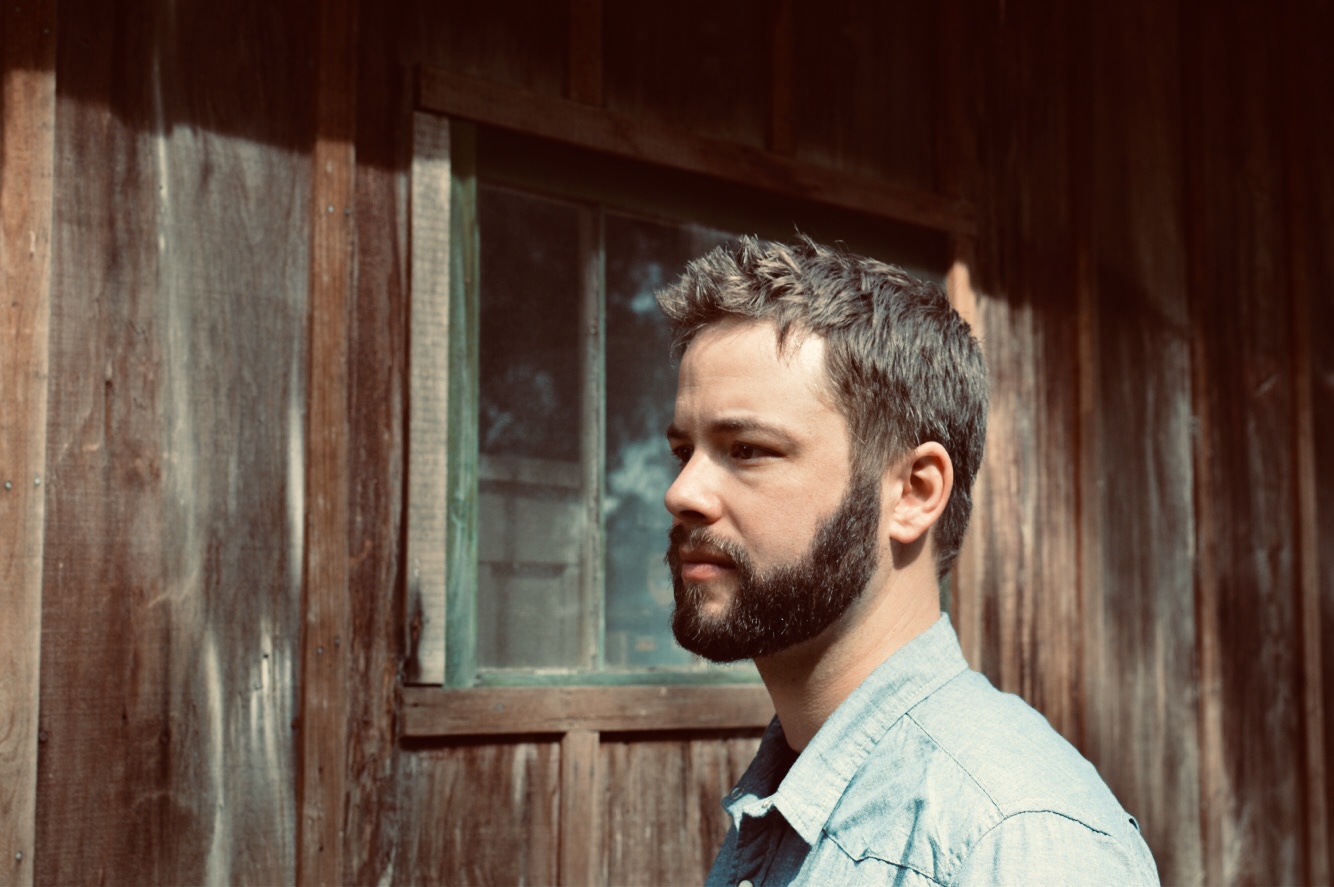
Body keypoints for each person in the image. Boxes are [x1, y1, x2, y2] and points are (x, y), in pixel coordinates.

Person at [656, 236, 1159, 886]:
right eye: (683, 452)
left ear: (915, 492)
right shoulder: (794, 785)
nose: (681, 493)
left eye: (747, 449)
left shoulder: (1016, 841)